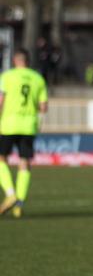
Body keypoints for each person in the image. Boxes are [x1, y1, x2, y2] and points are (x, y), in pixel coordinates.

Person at [0, 49, 49, 218]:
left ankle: (10, 193)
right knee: (24, 162)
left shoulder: (7, 77)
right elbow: (43, 107)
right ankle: (18, 206)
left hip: (8, 124)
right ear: (28, 61)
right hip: (29, 125)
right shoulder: (38, 79)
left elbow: (1, 101)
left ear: (15, 60)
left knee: (1, 159)